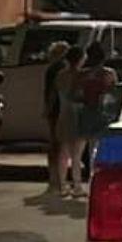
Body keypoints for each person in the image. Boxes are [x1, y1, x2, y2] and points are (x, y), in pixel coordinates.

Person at [75, 42, 119, 166]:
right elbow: (114, 91)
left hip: (86, 111)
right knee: (100, 143)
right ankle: (99, 167)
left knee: (84, 145)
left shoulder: (82, 75)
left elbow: (76, 94)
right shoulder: (109, 74)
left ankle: (86, 170)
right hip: (104, 112)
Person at [55, 45, 87, 198]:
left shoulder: (60, 76)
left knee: (64, 152)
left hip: (64, 114)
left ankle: (62, 185)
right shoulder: (83, 76)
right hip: (79, 115)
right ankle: (77, 185)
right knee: (77, 154)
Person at [43, 41, 71, 195]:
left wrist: (47, 108)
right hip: (66, 110)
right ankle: (61, 180)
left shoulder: (53, 69)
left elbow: (53, 91)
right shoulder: (67, 68)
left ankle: (55, 180)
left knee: (55, 145)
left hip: (56, 111)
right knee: (64, 146)